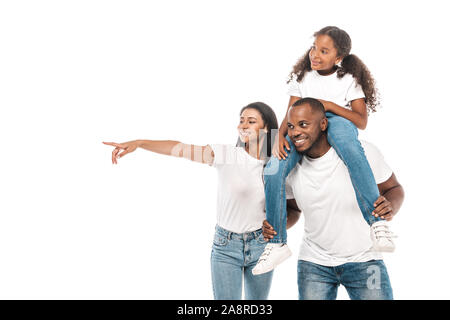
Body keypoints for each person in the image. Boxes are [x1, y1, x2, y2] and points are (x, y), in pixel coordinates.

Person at [102, 102, 297, 300]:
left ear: (266, 128)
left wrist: (278, 227)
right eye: (241, 120)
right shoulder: (226, 155)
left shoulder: (277, 167)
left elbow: (294, 211)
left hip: (261, 246)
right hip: (226, 247)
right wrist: (140, 143)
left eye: (251, 121)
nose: (243, 125)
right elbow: (179, 149)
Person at [252, 26, 396, 276]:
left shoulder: (348, 80)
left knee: (351, 149)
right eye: (314, 48)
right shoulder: (303, 78)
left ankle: (376, 222)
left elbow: (360, 121)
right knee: (273, 168)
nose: (315, 54)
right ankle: (276, 244)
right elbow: (291, 112)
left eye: (324, 51)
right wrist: (278, 138)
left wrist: (328, 105)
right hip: (304, 127)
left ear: (338, 57)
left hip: (336, 119)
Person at [262, 98, 404, 300]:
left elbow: (394, 189)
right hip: (314, 264)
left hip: (366, 260)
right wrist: (279, 225)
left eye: (303, 125)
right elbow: (293, 210)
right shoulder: (290, 168)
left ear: (323, 124)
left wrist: (391, 206)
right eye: (291, 126)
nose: (295, 133)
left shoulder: (362, 153)